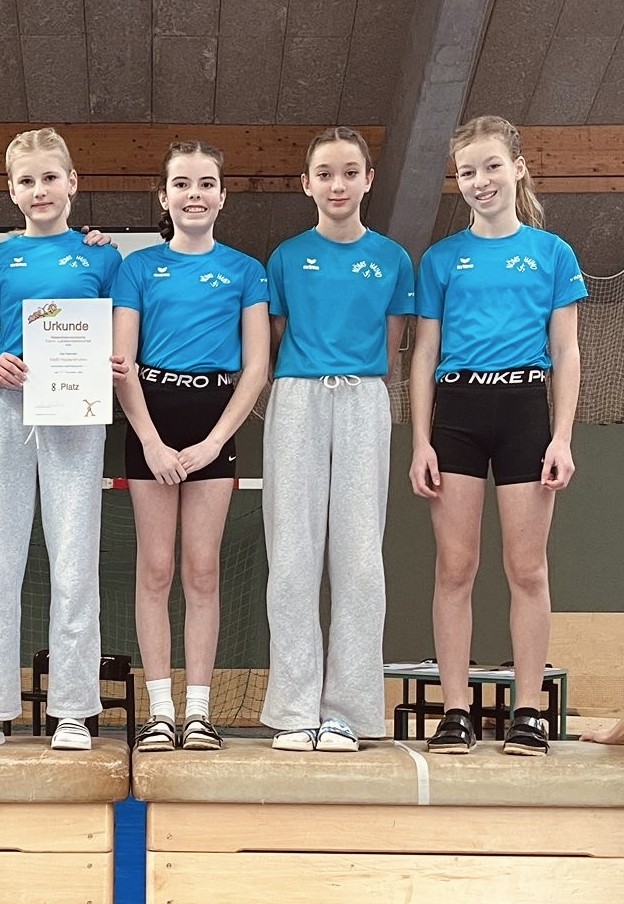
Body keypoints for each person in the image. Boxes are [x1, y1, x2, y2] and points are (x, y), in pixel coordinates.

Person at [410, 115, 584, 757]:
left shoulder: (553, 252)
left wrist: (561, 437)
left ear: (517, 168)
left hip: (524, 412)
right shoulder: (440, 259)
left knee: (527, 567)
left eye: (490, 166)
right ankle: (455, 711)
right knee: (455, 567)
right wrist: (421, 441)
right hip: (456, 413)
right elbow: (423, 354)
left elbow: (566, 351)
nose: (480, 181)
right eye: (466, 172)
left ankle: (528, 711)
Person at [0, 128, 123, 752]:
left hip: (77, 410)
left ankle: (72, 710)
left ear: (72, 182)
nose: (40, 189)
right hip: (9, 410)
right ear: (12, 190)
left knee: (74, 559)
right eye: (27, 180)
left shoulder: (104, 258)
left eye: (50, 177)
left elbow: (120, 339)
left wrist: (108, 364)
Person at [259, 127, 414, 753]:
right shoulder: (286, 257)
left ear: (368, 179)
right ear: (307, 184)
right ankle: (296, 709)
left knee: (358, 557)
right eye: (325, 173)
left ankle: (347, 710)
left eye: (350, 172)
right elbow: (276, 334)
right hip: (297, 398)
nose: (338, 184)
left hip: (363, 400)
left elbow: (394, 346)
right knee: (292, 554)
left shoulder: (393, 258)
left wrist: (356, 386)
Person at [112, 140, 269, 752]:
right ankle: (159, 711)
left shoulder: (245, 271)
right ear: (164, 195)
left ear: (222, 196)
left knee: (202, 570)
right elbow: (122, 363)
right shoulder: (137, 268)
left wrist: (213, 443)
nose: (194, 194)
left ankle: (198, 712)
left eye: (206, 184)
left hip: (214, 423)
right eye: (181, 184)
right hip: (150, 421)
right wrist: (150, 442)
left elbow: (256, 368)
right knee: (155, 569)